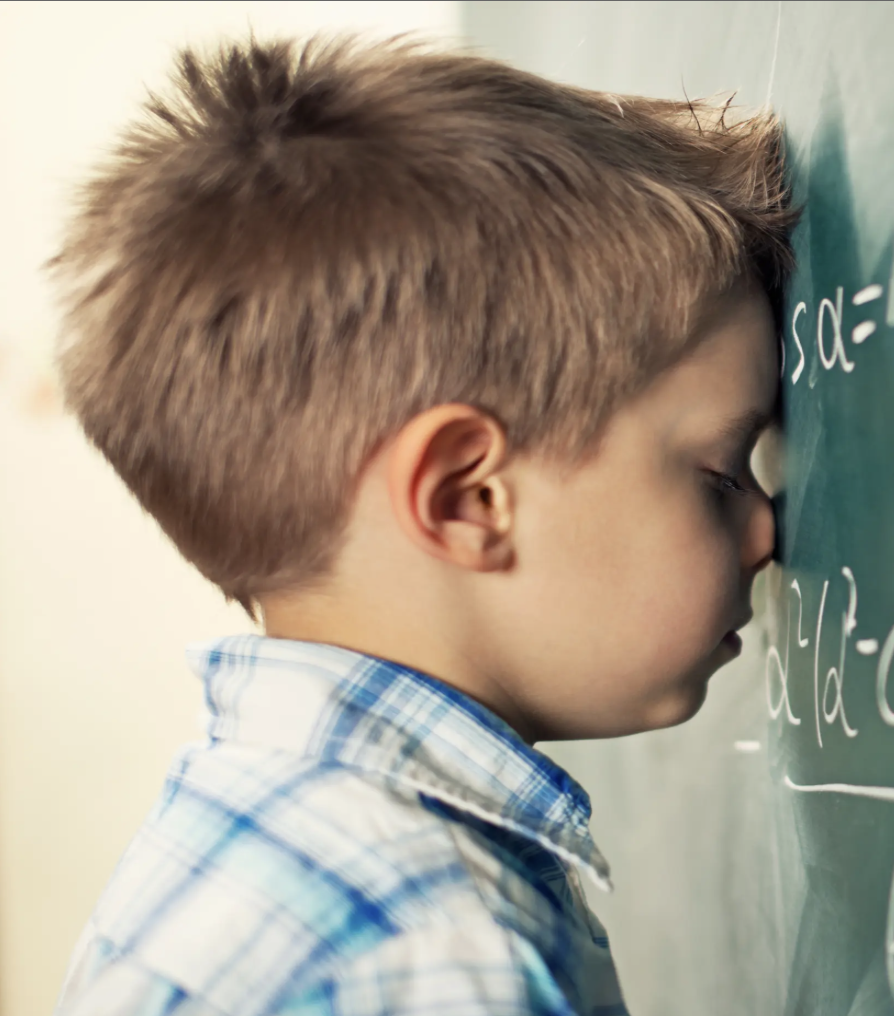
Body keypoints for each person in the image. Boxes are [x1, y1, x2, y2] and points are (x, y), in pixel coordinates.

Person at [47, 34, 790, 1015]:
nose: (771, 528)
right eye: (720, 471)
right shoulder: (438, 946)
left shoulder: (249, 837)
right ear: (467, 497)